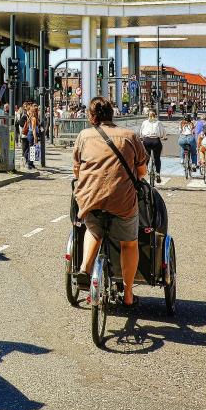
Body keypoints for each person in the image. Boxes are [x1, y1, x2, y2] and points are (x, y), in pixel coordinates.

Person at [74, 96, 148, 310]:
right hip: (122, 202)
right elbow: (142, 171)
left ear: (92, 116)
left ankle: (85, 268)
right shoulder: (129, 136)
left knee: (93, 230)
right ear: (112, 114)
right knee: (129, 243)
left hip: (91, 198)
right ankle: (128, 294)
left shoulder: (83, 136)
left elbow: (77, 170)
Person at [139, 110, 163, 182]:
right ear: (155, 115)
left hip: (146, 141)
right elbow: (162, 132)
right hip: (156, 141)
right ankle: (158, 173)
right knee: (157, 157)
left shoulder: (144, 122)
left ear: (148, 116)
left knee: (146, 156)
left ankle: (145, 170)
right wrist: (163, 137)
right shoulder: (158, 122)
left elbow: (141, 132)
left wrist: (141, 137)